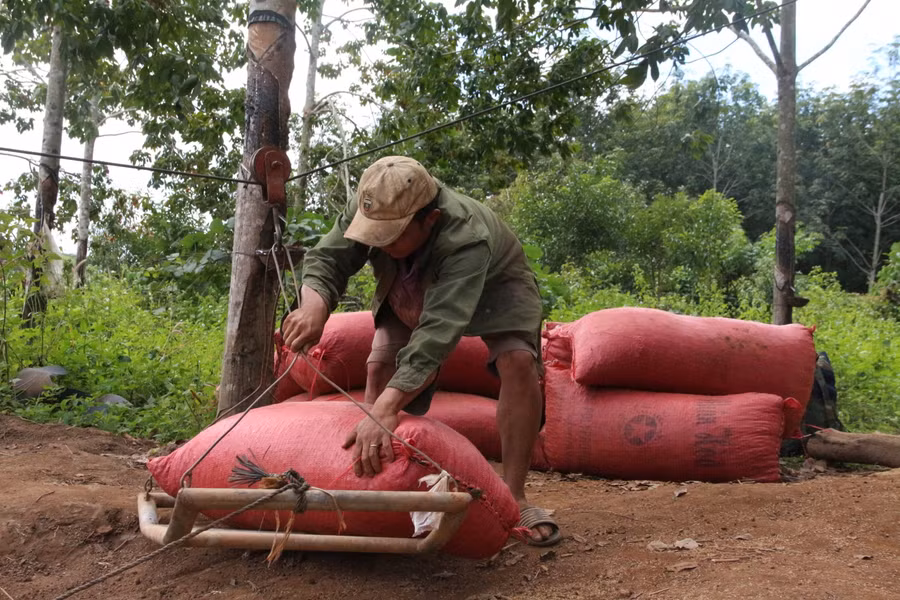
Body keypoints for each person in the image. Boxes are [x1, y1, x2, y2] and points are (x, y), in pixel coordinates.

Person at [281, 155, 560, 546]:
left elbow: (436, 334)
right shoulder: (372, 202)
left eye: (390, 235)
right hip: (408, 277)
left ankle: (515, 495)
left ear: (427, 220)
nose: (378, 242)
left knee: (518, 362)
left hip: (499, 283)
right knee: (381, 367)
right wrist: (313, 306)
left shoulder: (466, 236)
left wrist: (387, 409)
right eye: (373, 234)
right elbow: (329, 259)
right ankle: (378, 490)